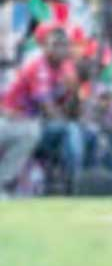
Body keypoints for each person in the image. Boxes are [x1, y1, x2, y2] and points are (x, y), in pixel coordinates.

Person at [2, 25, 80, 194]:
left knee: (86, 133)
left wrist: (74, 93)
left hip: (32, 123)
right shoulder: (39, 66)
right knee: (68, 130)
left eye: (63, 45)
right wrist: (68, 120)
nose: (60, 49)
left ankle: (81, 182)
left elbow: (72, 112)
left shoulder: (64, 68)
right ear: (44, 47)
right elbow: (49, 110)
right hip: (11, 121)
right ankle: (75, 183)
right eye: (55, 44)